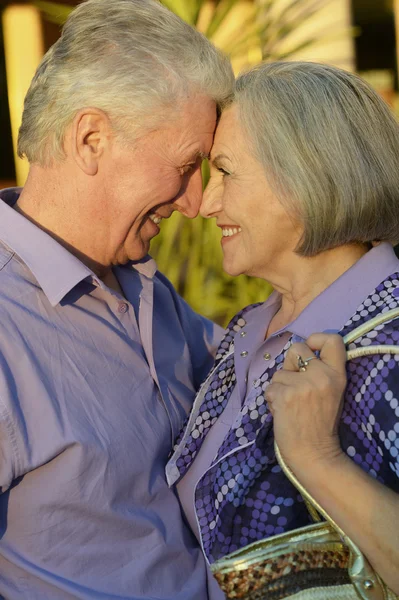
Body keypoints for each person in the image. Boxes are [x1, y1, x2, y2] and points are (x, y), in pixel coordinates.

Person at [0, 1, 234, 598]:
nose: (194, 202)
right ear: (91, 139)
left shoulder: (141, 283)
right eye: (185, 166)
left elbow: (257, 371)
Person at [167, 61, 399, 595]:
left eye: (225, 171)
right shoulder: (251, 327)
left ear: (305, 174)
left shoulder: (391, 343)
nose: (205, 203)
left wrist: (319, 459)